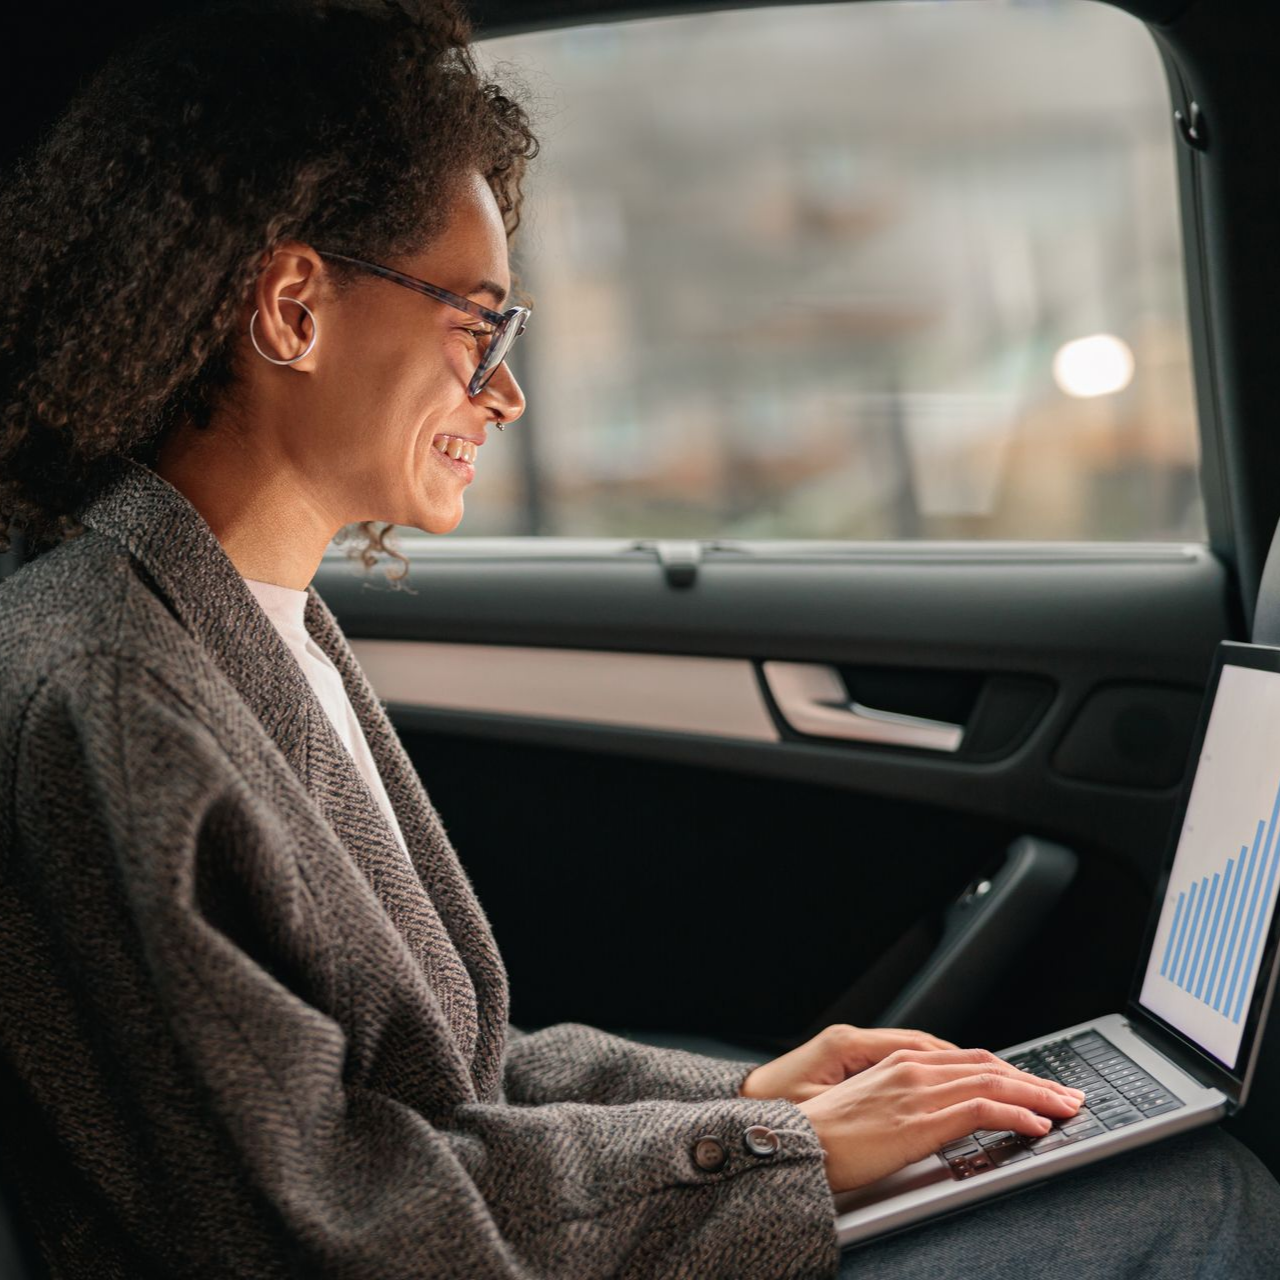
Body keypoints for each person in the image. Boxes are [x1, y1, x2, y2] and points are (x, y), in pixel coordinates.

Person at [1, 1, 1279, 1276]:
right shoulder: (116, 690)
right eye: (477, 322)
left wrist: (752, 1105)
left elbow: (452, 1076)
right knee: (1201, 1202)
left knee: (1153, 1169)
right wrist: (785, 1154)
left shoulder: (256, 626)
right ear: (291, 307)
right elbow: (328, 1215)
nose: (502, 390)